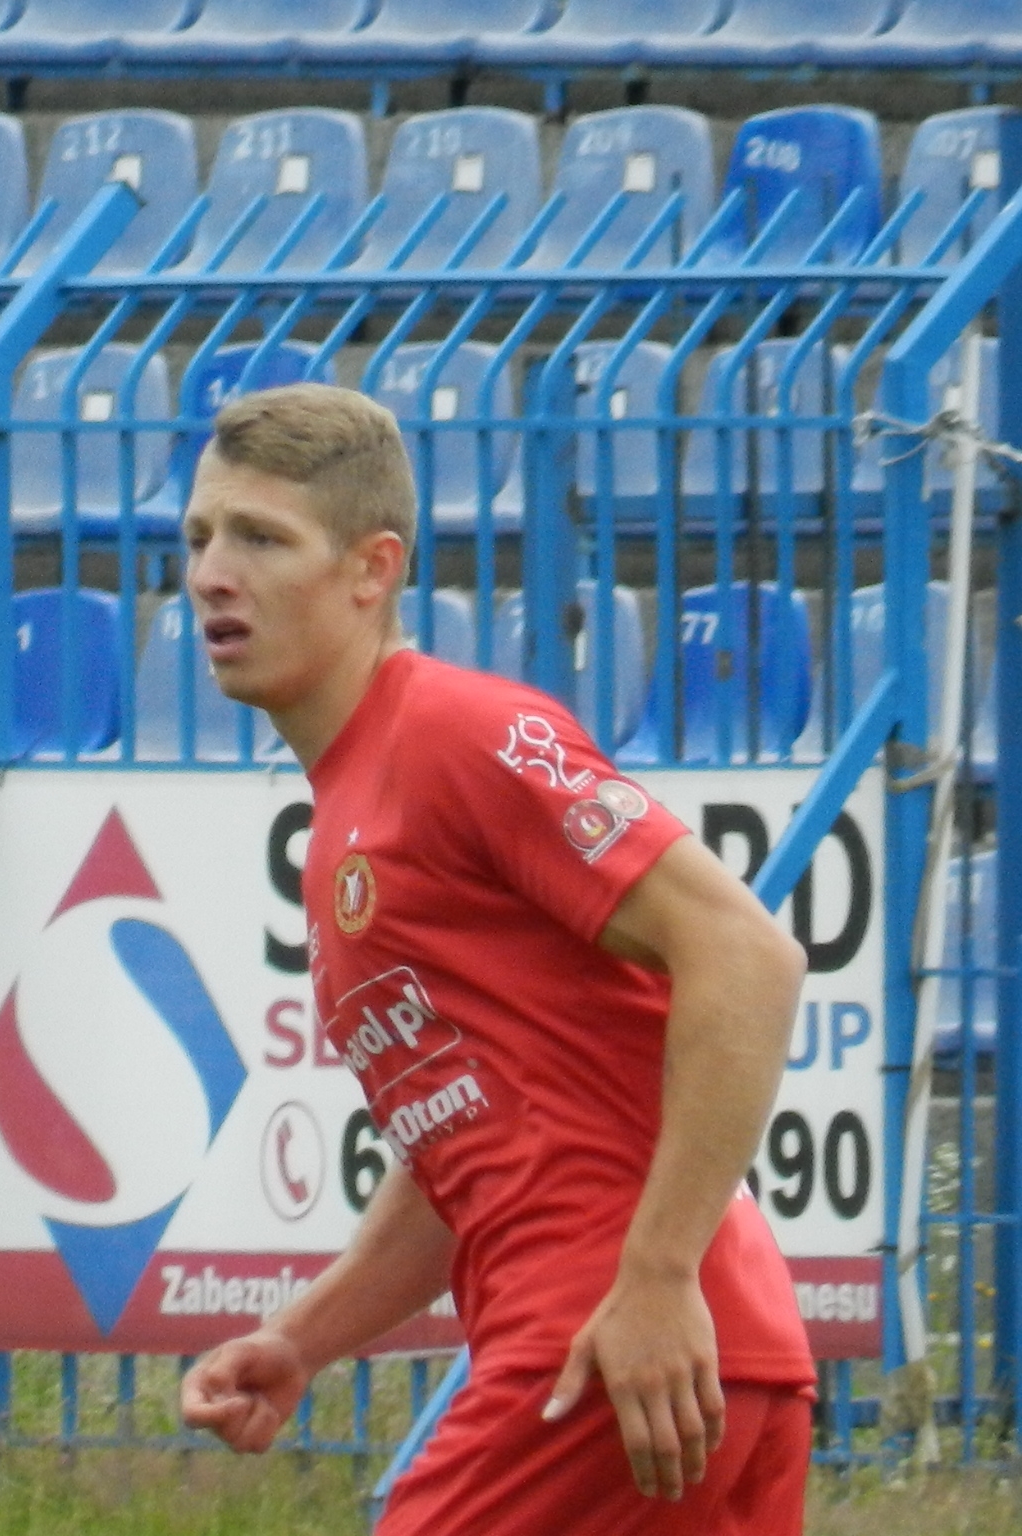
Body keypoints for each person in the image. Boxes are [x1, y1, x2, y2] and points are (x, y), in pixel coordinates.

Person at [176, 384, 815, 1534]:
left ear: (371, 570)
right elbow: (469, 1144)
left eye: (260, 539)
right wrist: (302, 1339)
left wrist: (655, 1277)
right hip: (699, 1357)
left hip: (606, 1344)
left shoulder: (452, 733)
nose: (212, 574)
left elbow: (745, 955)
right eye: (199, 537)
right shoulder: (348, 810)